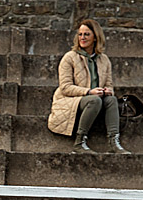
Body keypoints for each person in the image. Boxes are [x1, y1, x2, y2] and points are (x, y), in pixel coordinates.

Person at [47, 17, 129, 154]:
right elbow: (65, 87)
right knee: (94, 100)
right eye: (80, 34)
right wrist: (89, 91)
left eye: (86, 34)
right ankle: (79, 142)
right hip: (71, 101)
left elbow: (109, 85)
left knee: (112, 100)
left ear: (95, 37)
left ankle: (114, 142)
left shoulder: (104, 60)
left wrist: (107, 91)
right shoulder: (69, 57)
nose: (82, 37)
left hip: (95, 100)